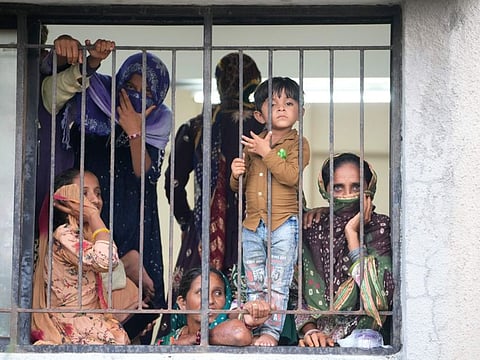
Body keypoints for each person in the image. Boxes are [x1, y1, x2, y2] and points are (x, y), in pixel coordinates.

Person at [40, 35, 172, 335]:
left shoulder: (159, 121)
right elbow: (54, 102)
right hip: (91, 204)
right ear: (119, 82)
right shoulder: (95, 98)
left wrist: (134, 130)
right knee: (89, 289)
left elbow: (147, 175)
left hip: (135, 217)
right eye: (131, 87)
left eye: (146, 90)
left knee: (143, 304)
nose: (136, 95)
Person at [164, 52, 264, 289]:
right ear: (255, 81)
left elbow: (173, 182)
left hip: (205, 229)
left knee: (198, 298)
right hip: (257, 225)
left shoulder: (197, 126)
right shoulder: (266, 126)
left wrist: (188, 222)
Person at [230, 77, 310, 346]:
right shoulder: (253, 145)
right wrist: (235, 174)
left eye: (289, 103)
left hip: (284, 222)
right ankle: (253, 329)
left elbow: (291, 176)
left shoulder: (299, 144)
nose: (282, 108)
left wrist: (266, 153)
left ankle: (271, 333)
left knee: (278, 281)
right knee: (255, 281)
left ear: (300, 110)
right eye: (273, 104)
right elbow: (240, 187)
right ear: (259, 114)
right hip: (252, 223)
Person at [296, 153, 394, 347]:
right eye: (338, 188)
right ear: (325, 190)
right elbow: (296, 294)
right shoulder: (314, 228)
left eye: (356, 187)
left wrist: (352, 234)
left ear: (369, 187)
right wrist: (311, 331)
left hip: (367, 343)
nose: (347, 194)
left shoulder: (381, 227)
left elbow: (378, 299)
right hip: (316, 346)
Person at [31, 168, 131, 345]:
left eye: (98, 193)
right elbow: (106, 260)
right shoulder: (65, 234)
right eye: (84, 193)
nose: (95, 200)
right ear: (67, 200)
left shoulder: (85, 235)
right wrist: (93, 216)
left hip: (90, 327)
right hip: (75, 332)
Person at [156, 267, 272, 346]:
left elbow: (239, 333)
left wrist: (195, 338)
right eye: (201, 292)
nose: (210, 300)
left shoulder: (230, 333)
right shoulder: (166, 342)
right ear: (182, 303)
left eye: (218, 293)